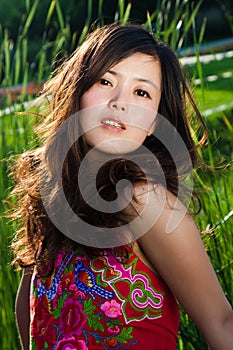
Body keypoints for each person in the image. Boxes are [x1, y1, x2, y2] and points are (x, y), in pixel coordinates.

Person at [11, 23, 233, 350]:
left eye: (141, 92)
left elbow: (221, 323)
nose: (119, 101)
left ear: (155, 122)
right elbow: (31, 314)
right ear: (77, 89)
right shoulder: (54, 198)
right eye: (105, 81)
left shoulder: (145, 201)